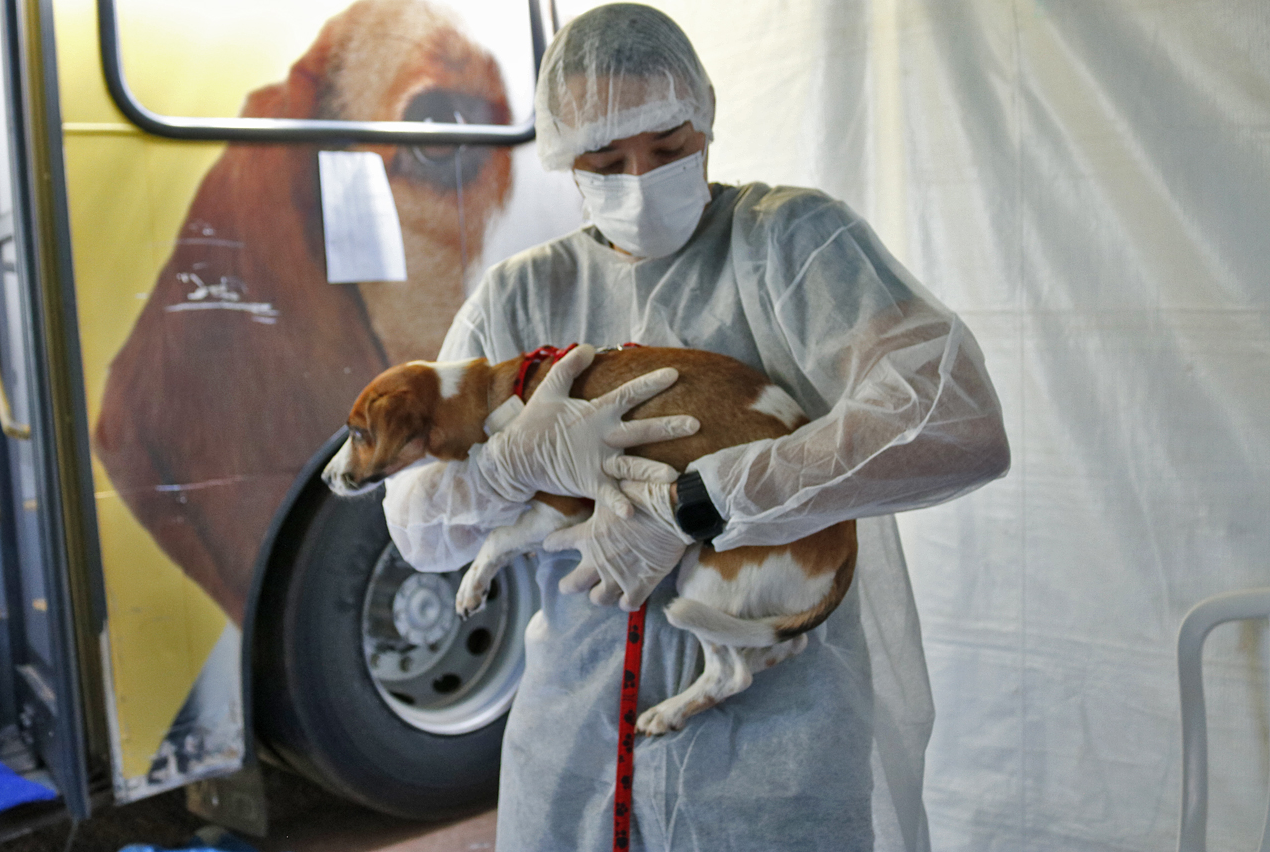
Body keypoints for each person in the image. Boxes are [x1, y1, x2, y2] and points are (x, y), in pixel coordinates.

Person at [382, 5, 1010, 850]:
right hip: (575, 743)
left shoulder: (793, 245)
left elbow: (952, 418)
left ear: (706, 114)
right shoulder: (520, 297)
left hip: (776, 742)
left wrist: (705, 500)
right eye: (607, 162)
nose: (640, 179)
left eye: (668, 150)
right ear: (567, 160)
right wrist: (501, 471)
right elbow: (420, 532)